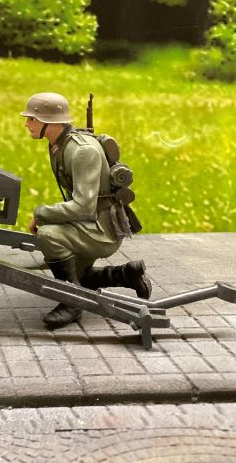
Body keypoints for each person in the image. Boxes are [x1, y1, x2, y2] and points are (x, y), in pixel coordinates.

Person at [21, 92, 152, 329]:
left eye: (32, 119)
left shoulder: (81, 151)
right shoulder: (59, 144)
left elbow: (83, 206)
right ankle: (127, 274)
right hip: (91, 222)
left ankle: (72, 304)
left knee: (49, 235)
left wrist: (40, 214)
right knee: (76, 278)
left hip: (101, 230)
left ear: (50, 122)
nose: (27, 124)